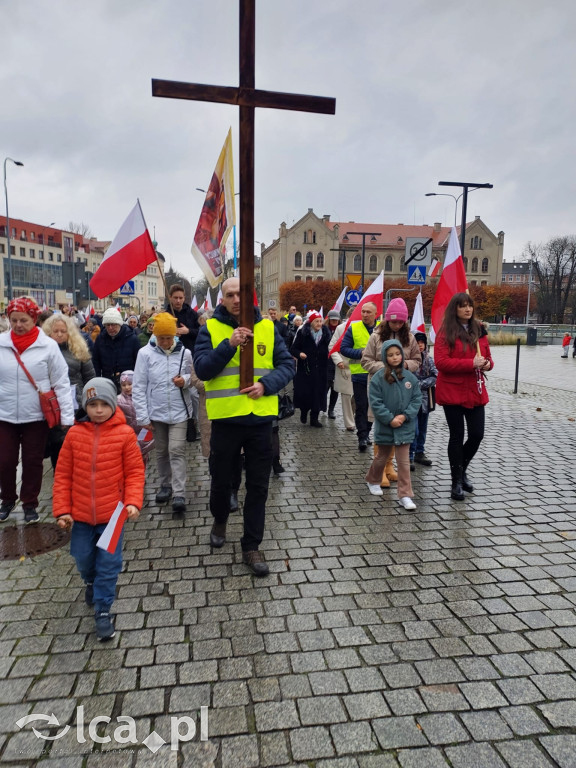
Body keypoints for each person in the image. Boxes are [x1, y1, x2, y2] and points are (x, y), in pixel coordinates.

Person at [193, 277, 294, 576]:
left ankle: (251, 545)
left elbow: (287, 365)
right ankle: (220, 518)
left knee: (259, 486)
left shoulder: (268, 327)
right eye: (230, 294)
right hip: (226, 420)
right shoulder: (210, 328)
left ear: (251, 296)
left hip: (260, 420)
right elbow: (203, 369)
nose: (236, 299)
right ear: (222, 299)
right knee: (221, 480)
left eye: (241, 293)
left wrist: (266, 385)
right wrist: (229, 345)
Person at [53, 378, 145, 641]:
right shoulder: (74, 435)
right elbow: (62, 475)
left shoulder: (125, 434)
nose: (99, 410)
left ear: (113, 404)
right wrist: (62, 510)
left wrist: (132, 501)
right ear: (85, 406)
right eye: (93, 404)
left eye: (105, 404)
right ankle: (90, 581)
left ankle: (103, 610)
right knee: (83, 557)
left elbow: (135, 472)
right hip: (80, 516)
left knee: (109, 563)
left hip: (113, 516)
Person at [0, 298, 75, 523]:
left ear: (34, 319)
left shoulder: (48, 346)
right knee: (5, 460)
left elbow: (61, 381)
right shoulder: (2, 343)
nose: (18, 325)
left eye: (23, 320)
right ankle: (7, 500)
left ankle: (30, 503)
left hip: (36, 415)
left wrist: (67, 416)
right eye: (14, 320)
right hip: (5, 414)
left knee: (33, 461)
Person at [133, 312, 194, 514]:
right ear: (155, 336)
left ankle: (179, 493)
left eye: (169, 338)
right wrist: (142, 416)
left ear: (174, 335)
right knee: (161, 451)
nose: (165, 342)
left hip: (179, 411)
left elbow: (193, 376)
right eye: (161, 338)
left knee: (176, 449)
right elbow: (139, 385)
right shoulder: (145, 354)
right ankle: (165, 485)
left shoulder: (185, 353)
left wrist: (185, 380)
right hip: (156, 411)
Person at [434, 292, 493, 501]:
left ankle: (462, 469)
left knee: (477, 434)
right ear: (455, 309)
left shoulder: (479, 330)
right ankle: (456, 481)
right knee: (457, 435)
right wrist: (470, 364)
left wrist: (487, 364)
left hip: (475, 390)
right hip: (453, 391)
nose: (467, 309)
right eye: (462, 306)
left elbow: (488, 358)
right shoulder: (446, 332)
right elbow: (441, 362)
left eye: (470, 305)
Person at [361, 298, 421, 485]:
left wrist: (404, 365)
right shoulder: (376, 336)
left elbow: (417, 360)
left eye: (401, 322)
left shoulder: (409, 337)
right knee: (382, 425)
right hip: (380, 388)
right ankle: (379, 469)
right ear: (387, 320)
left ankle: (389, 466)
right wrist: (385, 367)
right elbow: (366, 361)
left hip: (402, 390)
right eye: (394, 321)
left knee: (397, 426)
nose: (397, 325)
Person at [365, 341, 422, 509]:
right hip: (386, 425)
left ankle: (405, 494)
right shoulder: (378, 378)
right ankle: (373, 479)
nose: (395, 357)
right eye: (390, 355)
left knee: (404, 462)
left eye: (397, 354)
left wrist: (405, 416)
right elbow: (376, 402)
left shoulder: (410, 378)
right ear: (385, 357)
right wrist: (390, 419)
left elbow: (416, 399)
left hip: (405, 426)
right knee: (381, 457)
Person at [42, 313, 96, 468]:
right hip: (51, 405)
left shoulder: (79, 350)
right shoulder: (42, 352)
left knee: (76, 447)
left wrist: (90, 403)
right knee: (57, 448)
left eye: (63, 331)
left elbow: (90, 379)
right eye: (55, 331)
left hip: (76, 405)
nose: (59, 334)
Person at [341, 301, 379, 451]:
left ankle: (367, 432)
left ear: (375, 314)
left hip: (377, 375)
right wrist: (361, 352)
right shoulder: (354, 328)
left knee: (372, 407)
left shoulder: (382, 328)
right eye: (363, 311)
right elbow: (344, 348)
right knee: (361, 406)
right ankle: (362, 437)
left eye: (368, 312)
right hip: (359, 375)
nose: (365, 314)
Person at [291, 311, 331, 427]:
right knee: (305, 393)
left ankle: (314, 418)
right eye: (316, 321)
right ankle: (304, 412)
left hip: (321, 369)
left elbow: (331, 348)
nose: (319, 324)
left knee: (318, 393)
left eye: (320, 321)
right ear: (311, 322)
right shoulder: (303, 333)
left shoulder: (326, 334)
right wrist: (300, 354)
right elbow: (293, 349)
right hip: (306, 369)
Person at [92, 307, 140, 392]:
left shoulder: (132, 339)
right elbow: (96, 362)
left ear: (119, 324)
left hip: (127, 385)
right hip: (107, 383)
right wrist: (98, 380)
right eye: (108, 325)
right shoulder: (100, 339)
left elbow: (138, 363)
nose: (110, 328)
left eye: (113, 325)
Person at [409, 331, 438, 469]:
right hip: (411, 398)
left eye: (422, 343)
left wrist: (421, 384)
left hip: (426, 399)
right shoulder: (409, 360)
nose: (420, 345)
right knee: (413, 428)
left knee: (422, 428)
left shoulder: (428, 359)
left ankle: (419, 452)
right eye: (417, 343)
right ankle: (409, 455)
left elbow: (435, 375)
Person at [117, 370, 154, 467]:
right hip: (129, 433)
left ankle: (142, 470)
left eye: (130, 384)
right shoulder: (118, 400)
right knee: (132, 456)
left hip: (143, 430)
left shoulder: (143, 398)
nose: (127, 387)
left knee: (143, 453)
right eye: (124, 385)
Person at [328, 309, 356, 431]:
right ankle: (349, 423)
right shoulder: (341, 328)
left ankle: (354, 417)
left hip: (361, 367)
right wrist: (338, 360)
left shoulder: (367, 328)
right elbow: (332, 346)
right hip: (344, 366)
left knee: (358, 396)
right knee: (346, 395)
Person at [166, 284, 199, 353]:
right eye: (175, 298)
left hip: (190, 352)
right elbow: (159, 335)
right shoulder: (165, 315)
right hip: (171, 352)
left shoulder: (192, 314)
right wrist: (171, 333)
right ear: (170, 297)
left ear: (184, 298)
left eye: (180, 298)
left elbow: (200, 331)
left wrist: (188, 331)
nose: (178, 301)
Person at [325, 310, 342, 418]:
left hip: (338, 361)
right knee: (326, 386)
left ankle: (331, 410)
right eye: (333, 319)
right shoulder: (324, 330)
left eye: (336, 319)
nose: (335, 321)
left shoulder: (341, 329)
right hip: (327, 362)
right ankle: (323, 406)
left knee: (335, 389)